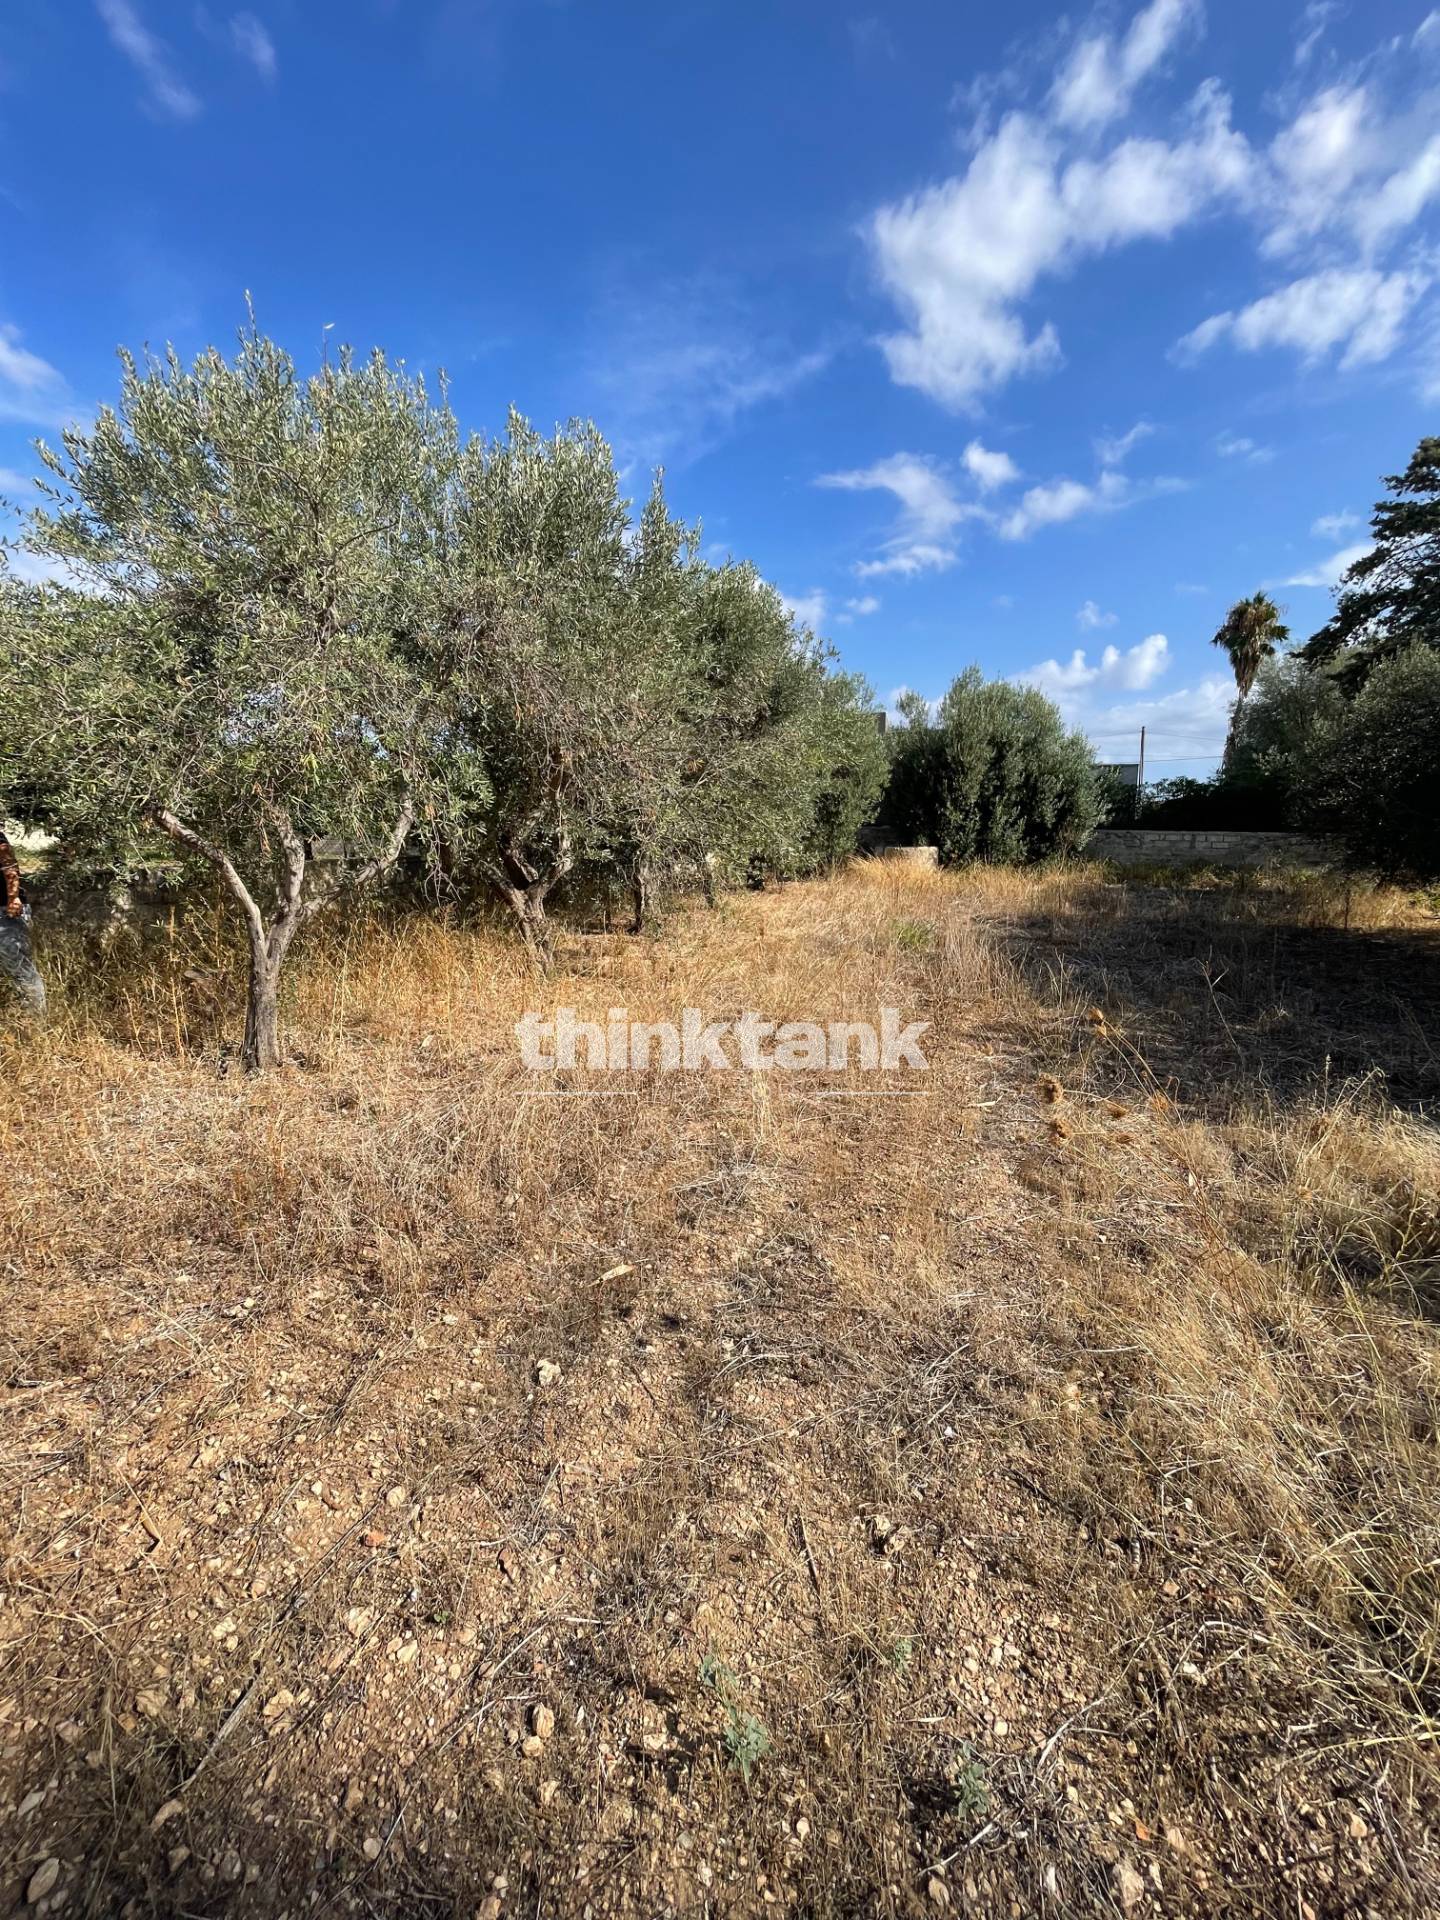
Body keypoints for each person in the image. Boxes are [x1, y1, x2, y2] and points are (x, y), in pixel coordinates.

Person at [0, 827, 45, 1015]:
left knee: (20, 969)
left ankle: (35, 1021)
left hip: (6, 912)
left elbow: (9, 865)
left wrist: (13, 898)